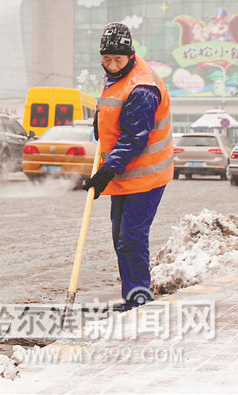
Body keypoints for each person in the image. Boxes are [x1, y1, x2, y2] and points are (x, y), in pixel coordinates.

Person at [83, 22, 174, 311]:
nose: (111, 65)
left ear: (130, 55)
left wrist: (105, 173)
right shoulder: (119, 75)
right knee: (119, 237)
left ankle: (138, 302)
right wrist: (100, 123)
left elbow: (134, 138)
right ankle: (132, 295)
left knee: (131, 239)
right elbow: (113, 108)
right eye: (106, 59)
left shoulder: (143, 88)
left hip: (146, 175)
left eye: (117, 60)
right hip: (126, 174)